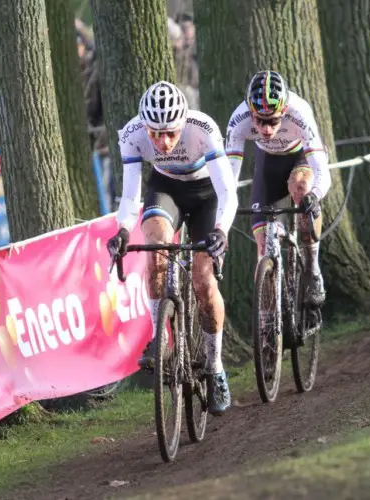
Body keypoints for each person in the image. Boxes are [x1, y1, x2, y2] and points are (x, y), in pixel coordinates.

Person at [106, 81, 237, 416]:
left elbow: (228, 191)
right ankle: (159, 337)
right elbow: (131, 195)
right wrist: (122, 230)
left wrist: (221, 230)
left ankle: (216, 365)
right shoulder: (132, 134)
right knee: (155, 248)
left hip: (206, 195)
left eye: (170, 133)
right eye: (155, 134)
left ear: (183, 124)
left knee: (204, 282)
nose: (162, 142)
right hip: (166, 191)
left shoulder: (203, 128)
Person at [224, 70, 331, 307]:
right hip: (269, 163)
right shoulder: (238, 119)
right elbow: (228, 178)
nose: (266, 129)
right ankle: (267, 321)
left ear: (283, 111)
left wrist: (314, 195)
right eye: (260, 121)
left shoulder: (300, 112)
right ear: (251, 113)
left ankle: (313, 269)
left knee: (301, 189)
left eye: (273, 120)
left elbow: (323, 171)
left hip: (300, 156)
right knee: (263, 243)